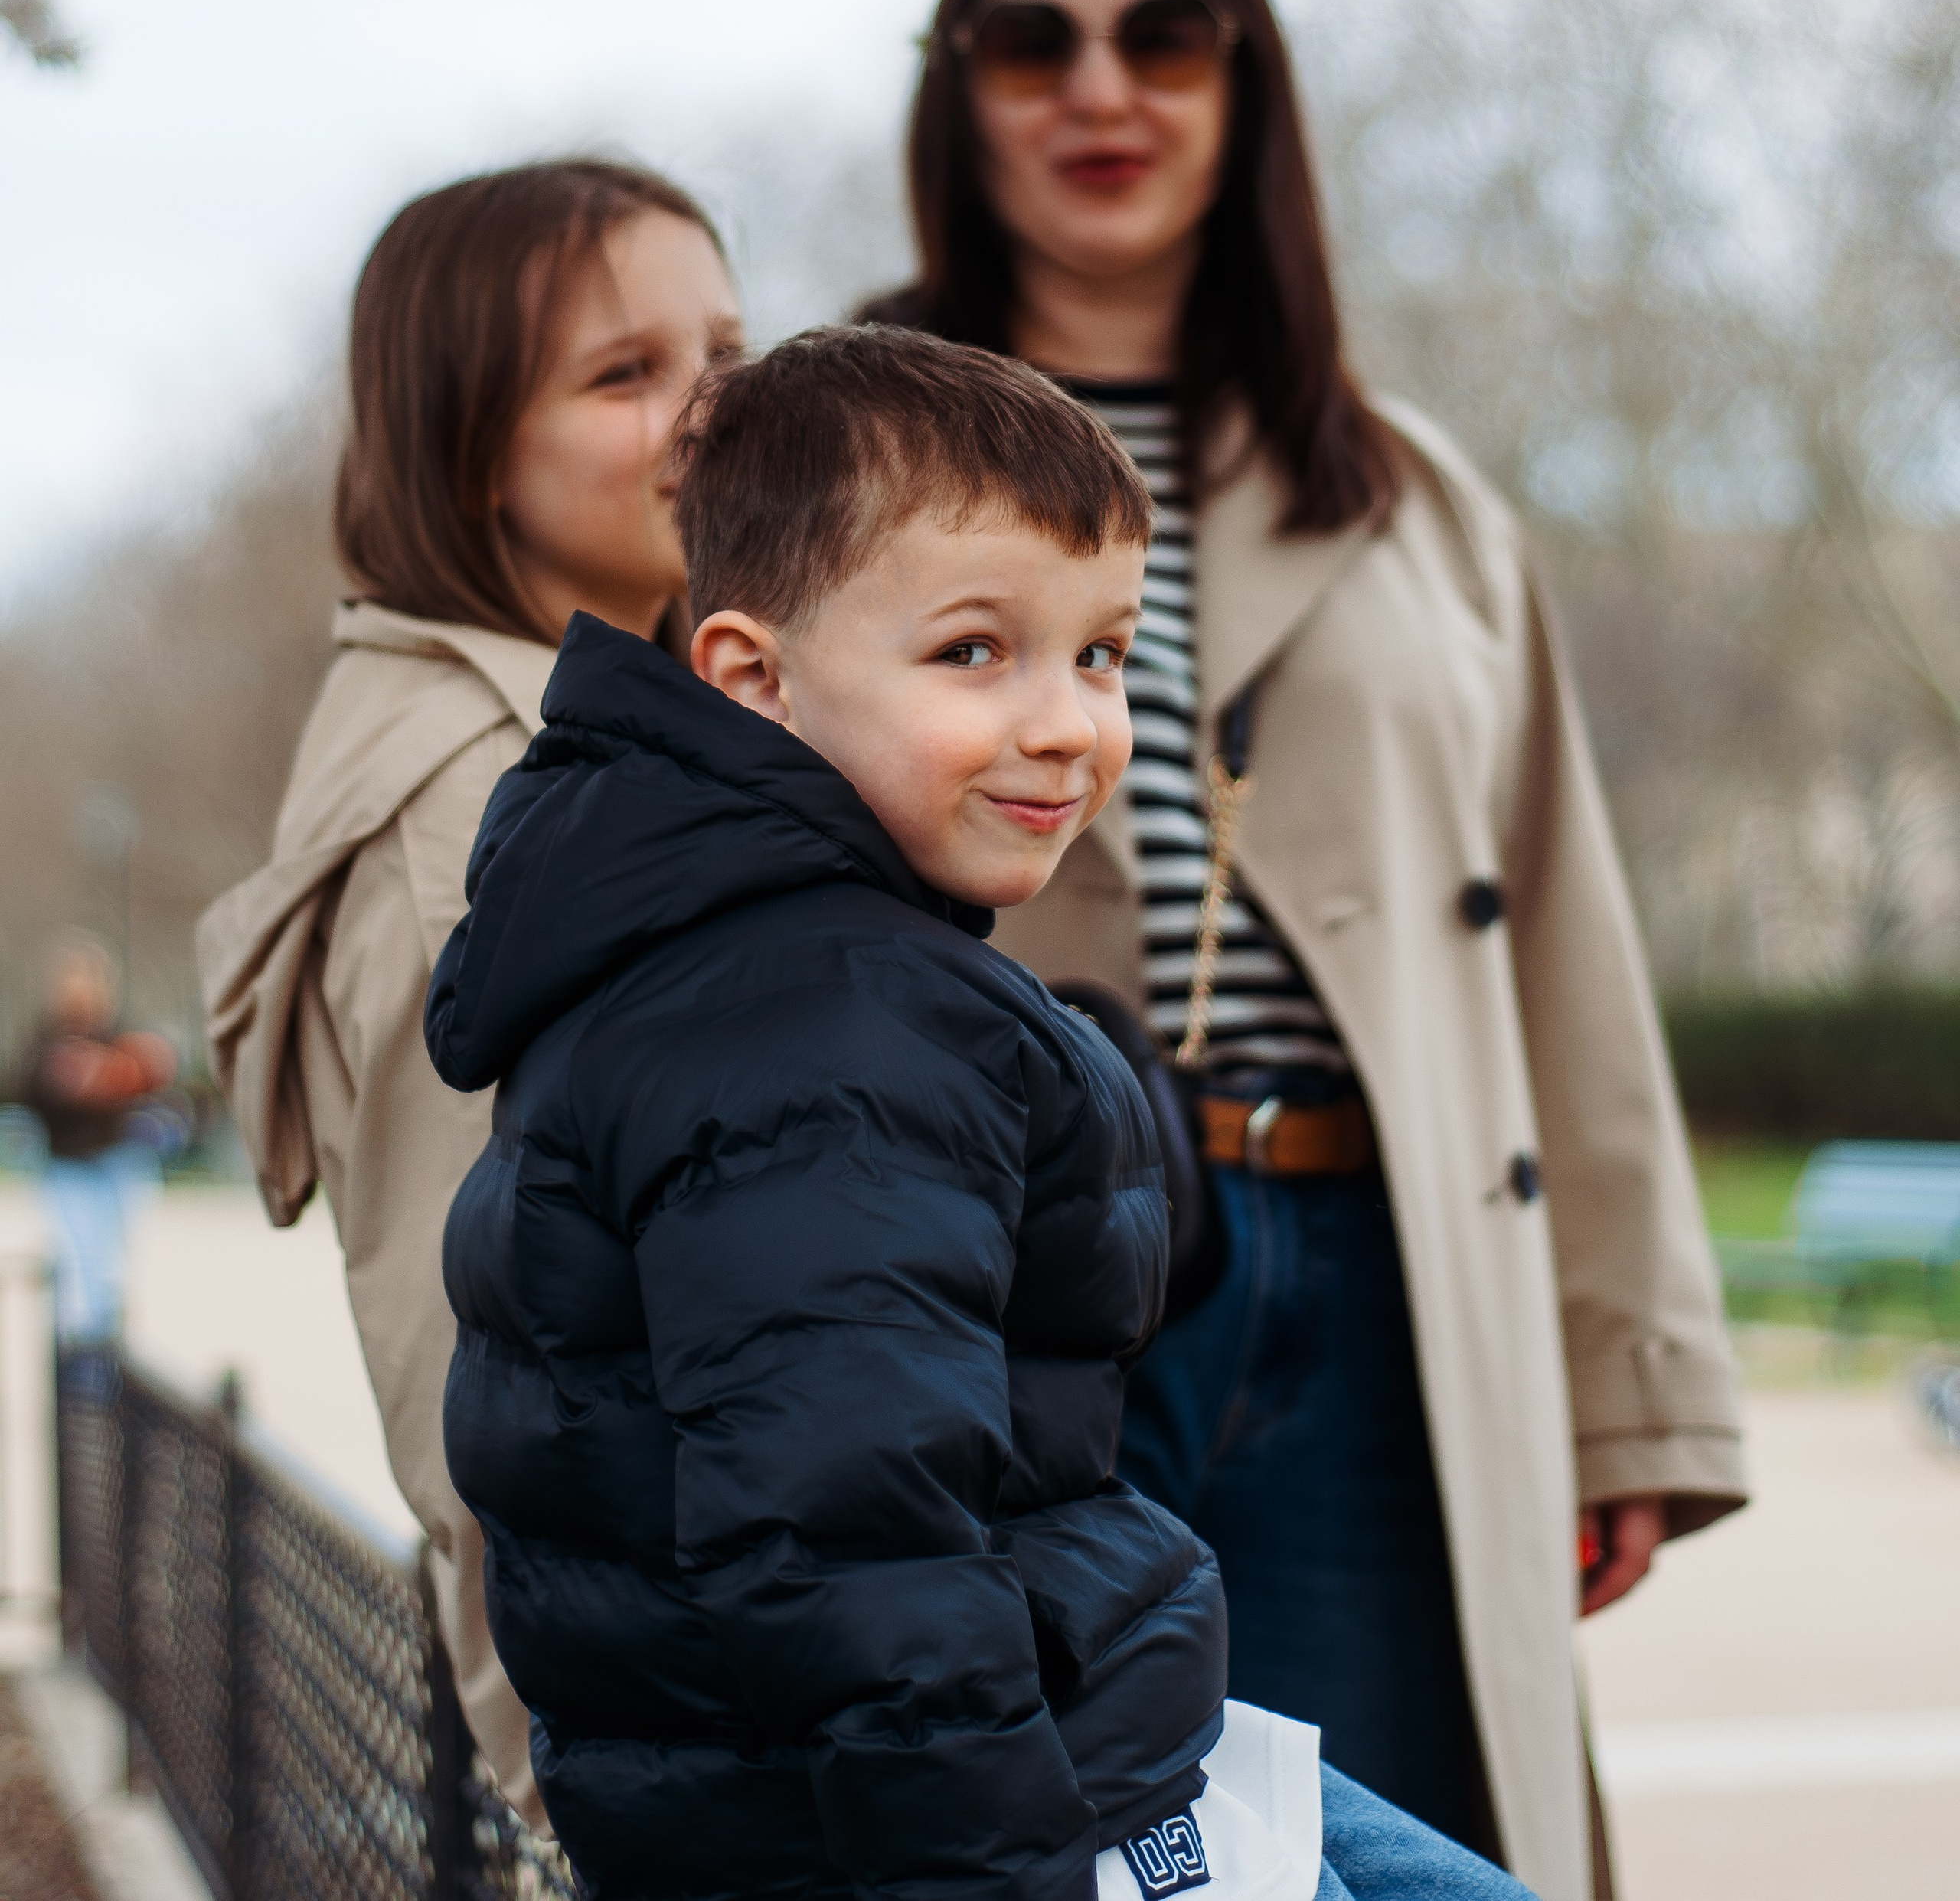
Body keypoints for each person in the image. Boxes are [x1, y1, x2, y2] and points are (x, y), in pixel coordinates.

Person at [864, 0, 1749, 1901]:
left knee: (1385, 1853)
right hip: (998, 1289)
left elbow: (1560, 949)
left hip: (1378, 1292)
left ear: (1244, 82)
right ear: (957, 84)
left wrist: (1627, 1392)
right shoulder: (828, 450)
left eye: (1166, 31)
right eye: (1034, 37)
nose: (1105, 87)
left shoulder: (1416, 490)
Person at [426, 323, 1537, 1901]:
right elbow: (851, 1561)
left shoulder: (779, 967)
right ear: (754, 676)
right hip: (981, 1814)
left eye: (1099, 652)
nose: (1065, 722)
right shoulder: (819, 1022)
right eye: (972, 651)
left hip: (1042, 1737)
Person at [197, 158, 740, 1827]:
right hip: (721, 1748)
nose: (711, 411)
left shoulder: (622, 729)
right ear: (465, 443)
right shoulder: (484, 819)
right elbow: (485, 1395)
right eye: (623, 373)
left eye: (725, 351)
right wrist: (607, 1799)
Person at [18, 936, 176, 1347]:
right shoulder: (45, 1041)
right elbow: (31, 1094)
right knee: (79, 1263)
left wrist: (116, 1074)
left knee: (114, 1265)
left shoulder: (116, 1036)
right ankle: (88, 1350)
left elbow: (145, 1085)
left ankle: (112, 1343)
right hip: (70, 1166)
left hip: (115, 1162)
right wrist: (66, 1080)